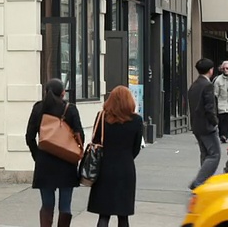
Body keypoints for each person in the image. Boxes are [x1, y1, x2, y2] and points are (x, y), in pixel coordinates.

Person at [26, 78, 83, 227]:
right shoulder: (70, 109)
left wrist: (37, 156)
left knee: (47, 205)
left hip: (44, 162)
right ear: (63, 93)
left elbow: (29, 137)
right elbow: (80, 135)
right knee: (65, 206)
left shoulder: (38, 108)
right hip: (67, 162)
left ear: (46, 92)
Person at [87, 85, 143, 227]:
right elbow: (136, 147)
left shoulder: (102, 118)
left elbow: (95, 141)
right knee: (123, 216)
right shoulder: (136, 121)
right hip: (126, 168)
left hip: (104, 168)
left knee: (104, 214)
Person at [188, 58, 220, 190]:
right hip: (207, 126)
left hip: (196, 125)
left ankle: (204, 181)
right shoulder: (207, 86)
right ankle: (200, 181)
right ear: (211, 70)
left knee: (205, 154)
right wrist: (215, 122)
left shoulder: (194, 85)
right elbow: (209, 108)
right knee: (214, 154)